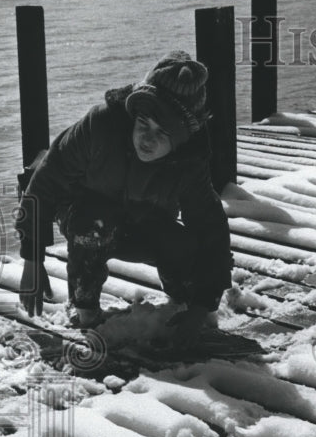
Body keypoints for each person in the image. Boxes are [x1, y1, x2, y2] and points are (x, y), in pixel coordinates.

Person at [17, 50, 233, 346]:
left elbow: (211, 228)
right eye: (143, 124)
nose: (147, 138)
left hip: (143, 219)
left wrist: (201, 308)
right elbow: (45, 182)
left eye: (162, 133)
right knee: (93, 223)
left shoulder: (190, 161)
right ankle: (86, 310)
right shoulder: (99, 125)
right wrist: (32, 257)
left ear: (181, 139)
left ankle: (181, 304)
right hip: (86, 213)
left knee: (184, 246)